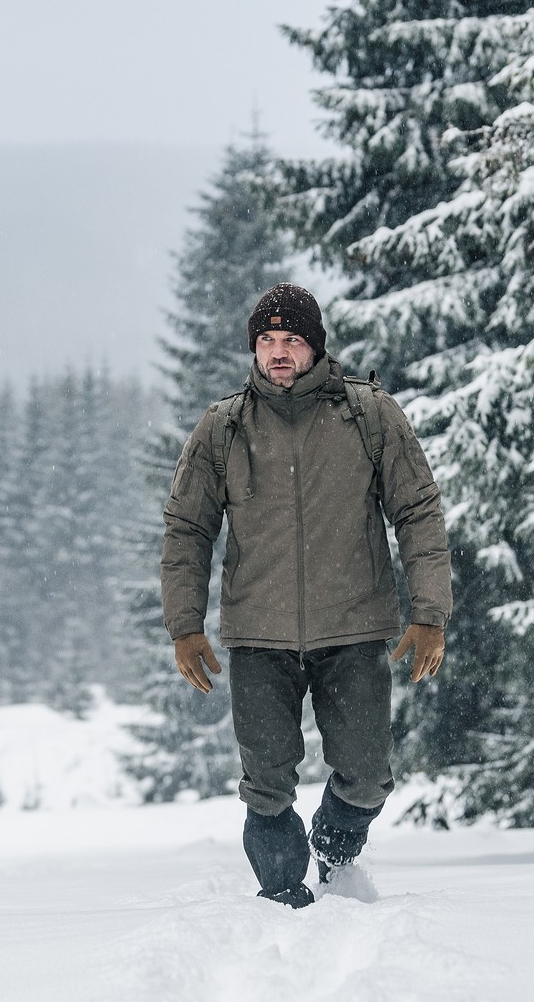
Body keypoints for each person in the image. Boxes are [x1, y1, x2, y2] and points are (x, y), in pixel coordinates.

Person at [160, 283, 451, 907]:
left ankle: (333, 850)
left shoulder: (369, 415)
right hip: (258, 634)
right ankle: (283, 894)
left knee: (368, 778)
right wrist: (184, 625)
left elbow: (418, 512)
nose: (279, 353)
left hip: (352, 626)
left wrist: (430, 613)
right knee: (265, 783)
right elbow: (188, 528)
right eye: (267, 341)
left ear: (316, 347)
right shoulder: (224, 428)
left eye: (292, 339)